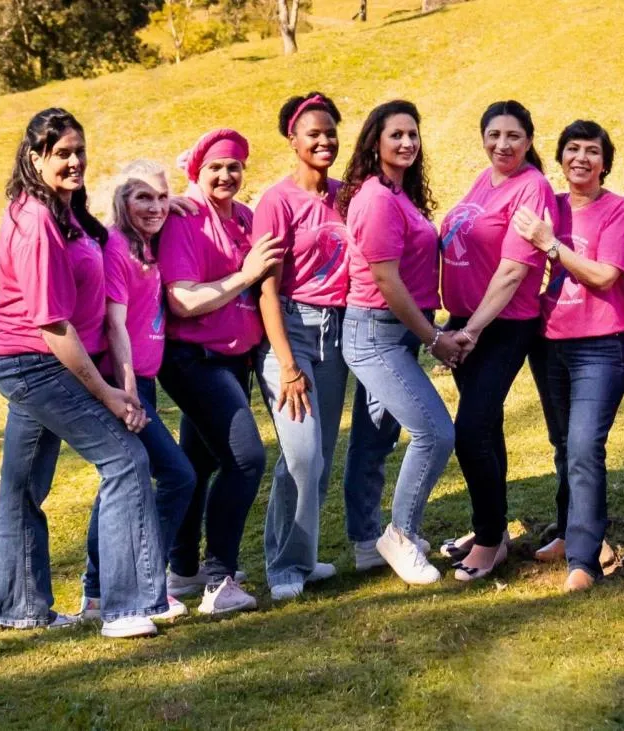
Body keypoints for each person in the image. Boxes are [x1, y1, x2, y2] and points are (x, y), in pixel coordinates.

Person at [0, 108, 167, 638]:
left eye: (79, 150)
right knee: (126, 458)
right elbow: (52, 326)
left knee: (21, 487)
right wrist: (108, 393)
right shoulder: (36, 222)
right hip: (33, 362)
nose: (74, 161)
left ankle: (17, 608)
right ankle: (123, 606)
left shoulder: (62, 211)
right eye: (61, 153)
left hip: (32, 358)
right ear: (35, 157)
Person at [512, 120, 624, 591]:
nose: (580, 158)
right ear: (560, 157)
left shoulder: (619, 211)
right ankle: (570, 533)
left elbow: (606, 276)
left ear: (605, 162)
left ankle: (584, 560)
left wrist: (551, 244)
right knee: (564, 445)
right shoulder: (550, 206)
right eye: (571, 149)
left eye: (591, 150)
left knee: (586, 447)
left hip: (598, 345)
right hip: (548, 344)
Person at [158, 128, 281, 614]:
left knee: (198, 463)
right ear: (197, 172)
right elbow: (183, 300)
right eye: (215, 167)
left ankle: (183, 569)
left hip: (234, 360)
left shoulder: (245, 219)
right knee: (245, 459)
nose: (226, 174)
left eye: (234, 166)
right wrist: (246, 275)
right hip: (194, 359)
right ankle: (219, 580)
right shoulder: (184, 221)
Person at [338, 100, 458, 585]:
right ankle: (400, 535)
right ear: (375, 142)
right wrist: (435, 340)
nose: (407, 142)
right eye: (396, 135)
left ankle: (367, 543)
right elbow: (386, 281)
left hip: (397, 332)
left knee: (375, 439)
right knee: (435, 432)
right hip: (377, 333)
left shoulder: (397, 193)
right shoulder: (377, 199)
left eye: (413, 134)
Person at [437, 100, 558, 581]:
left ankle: (489, 542)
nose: (502, 145)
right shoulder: (485, 181)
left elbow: (512, 272)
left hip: (503, 323)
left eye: (513, 136)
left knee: (470, 431)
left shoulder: (533, 187)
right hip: (467, 320)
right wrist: (456, 322)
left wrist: (471, 330)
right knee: (485, 429)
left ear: (529, 139)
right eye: (494, 135)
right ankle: (494, 528)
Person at [79, 160, 197, 623]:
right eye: (142, 197)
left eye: (161, 197)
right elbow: (114, 322)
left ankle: (94, 593)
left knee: (117, 484)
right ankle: (145, 585)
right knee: (176, 475)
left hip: (142, 380)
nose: (155, 206)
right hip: (121, 382)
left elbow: (164, 207)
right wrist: (127, 392)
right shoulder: (116, 248)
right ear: (121, 200)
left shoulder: (145, 242)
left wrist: (175, 203)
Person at [253, 92, 350, 601]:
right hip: (292, 329)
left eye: (330, 132)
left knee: (320, 453)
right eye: (313, 133)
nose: (324, 140)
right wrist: (288, 364)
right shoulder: (276, 201)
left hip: (337, 332)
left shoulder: (344, 194)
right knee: (302, 452)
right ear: (292, 140)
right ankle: (284, 565)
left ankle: (306, 557)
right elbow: (265, 287)